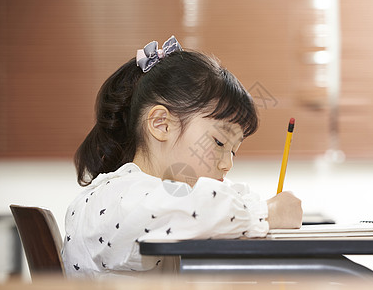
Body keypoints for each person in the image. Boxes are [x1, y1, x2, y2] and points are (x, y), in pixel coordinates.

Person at [62, 36, 302, 279]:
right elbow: (201, 207)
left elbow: (223, 199)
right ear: (161, 124)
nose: (227, 164)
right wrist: (266, 212)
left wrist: (260, 208)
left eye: (233, 151)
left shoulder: (165, 197)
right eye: (219, 142)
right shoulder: (116, 198)